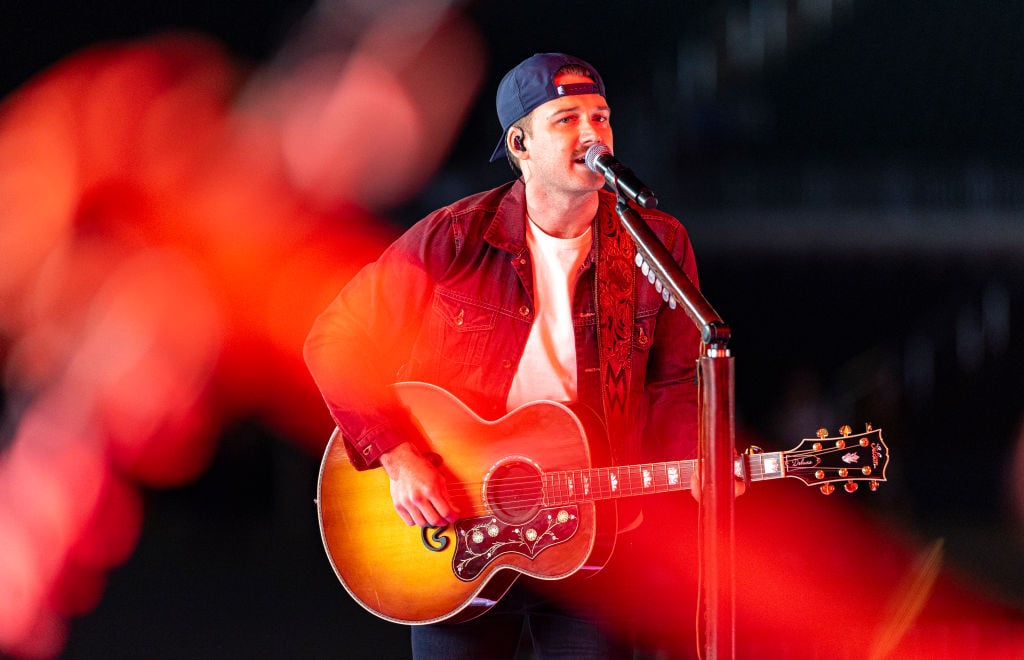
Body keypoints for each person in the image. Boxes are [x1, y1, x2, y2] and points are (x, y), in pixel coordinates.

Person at [304, 52, 703, 658]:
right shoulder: (455, 236)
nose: (592, 132)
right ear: (520, 143)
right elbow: (336, 339)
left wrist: (689, 472)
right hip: (457, 529)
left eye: (601, 116)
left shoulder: (656, 241)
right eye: (566, 119)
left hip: (595, 544)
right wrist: (396, 455)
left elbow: (677, 380)